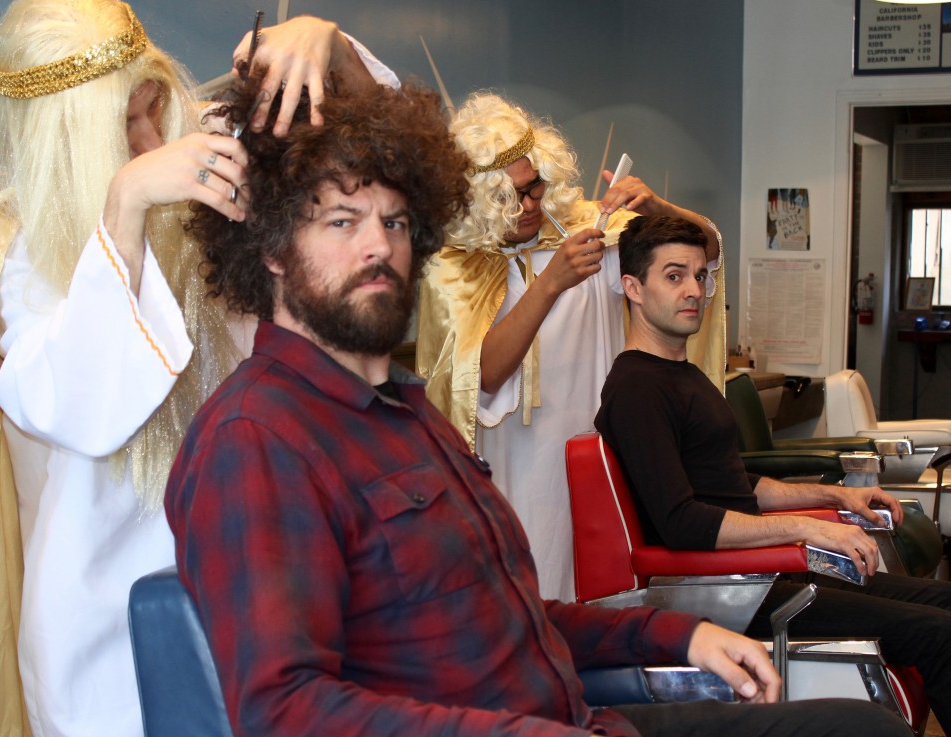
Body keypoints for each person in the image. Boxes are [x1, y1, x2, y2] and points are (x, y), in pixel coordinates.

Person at [166, 82, 911, 737]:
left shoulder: (410, 416)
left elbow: (515, 617)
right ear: (270, 249)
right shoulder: (256, 439)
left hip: (577, 711)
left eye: (394, 222)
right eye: (341, 221)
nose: (378, 247)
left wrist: (677, 634)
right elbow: (285, 712)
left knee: (858, 726)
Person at [0, 2, 394, 736]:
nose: (149, 138)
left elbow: (386, 151)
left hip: (259, 591)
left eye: (153, 105)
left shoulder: (214, 161)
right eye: (119, 125)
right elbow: (80, 409)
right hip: (100, 641)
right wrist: (125, 205)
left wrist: (326, 46)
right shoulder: (19, 249)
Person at [594, 214, 951, 732]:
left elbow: (734, 484)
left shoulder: (683, 376)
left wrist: (834, 500)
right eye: (674, 276)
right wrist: (808, 529)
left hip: (759, 574)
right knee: (938, 633)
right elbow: (683, 522)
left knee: (944, 602)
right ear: (633, 288)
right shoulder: (637, 389)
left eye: (700, 275)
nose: (694, 290)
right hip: (730, 594)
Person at [416, 93, 727, 601]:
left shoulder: (592, 231)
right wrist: (551, 282)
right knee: (526, 594)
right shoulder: (451, 266)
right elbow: (480, 376)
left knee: (601, 590)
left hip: (596, 451)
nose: (529, 205)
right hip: (510, 466)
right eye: (510, 197)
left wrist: (658, 208)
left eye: (534, 186)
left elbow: (704, 251)